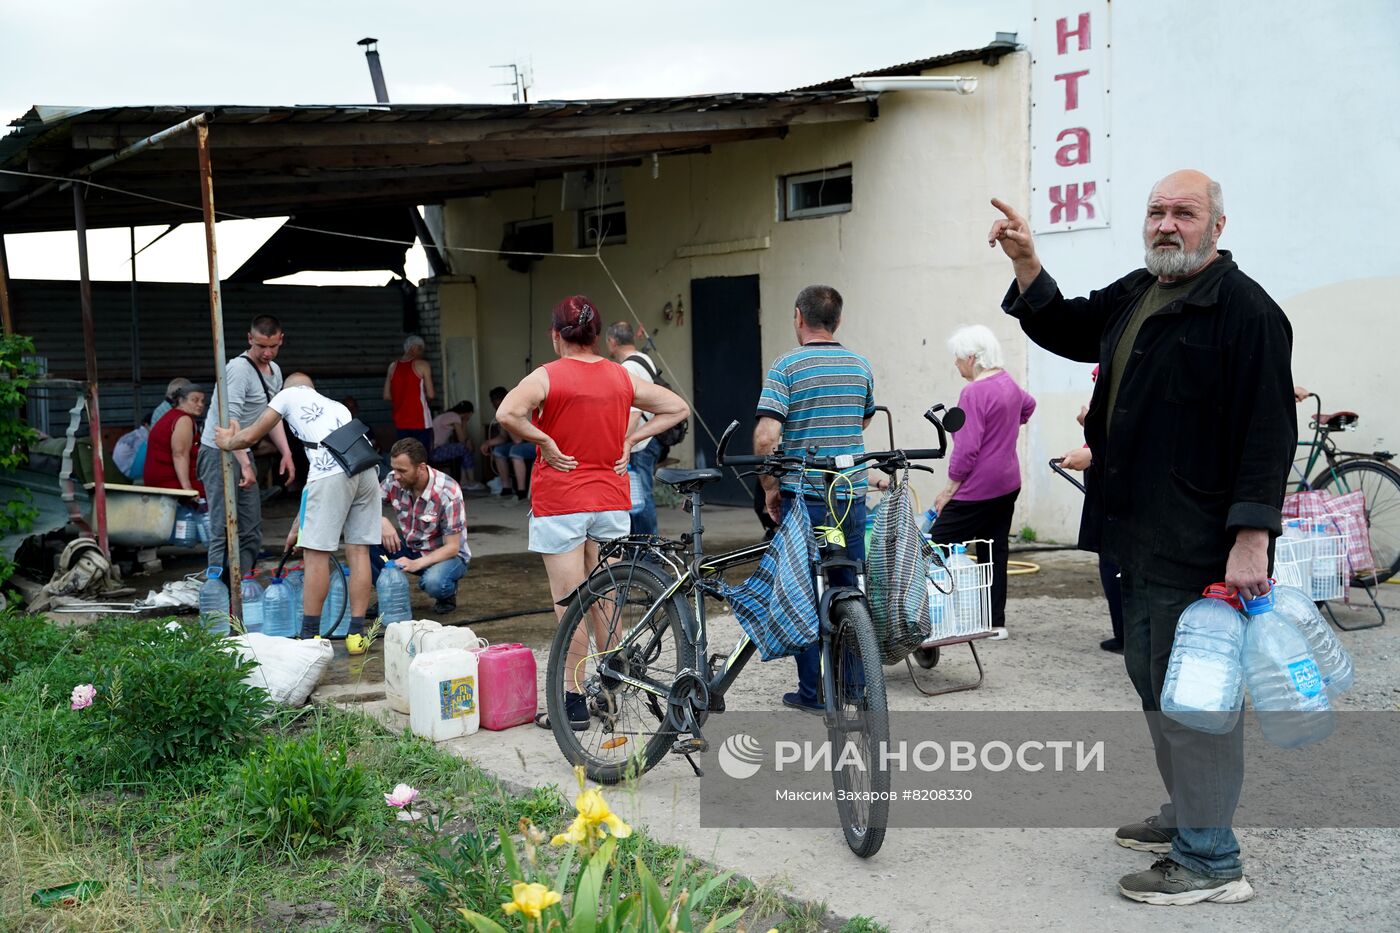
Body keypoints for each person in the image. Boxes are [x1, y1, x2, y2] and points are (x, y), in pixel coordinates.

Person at [989, 170, 1295, 905]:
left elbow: (1267, 435)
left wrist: (1251, 538)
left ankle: (1211, 860)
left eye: (1184, 212)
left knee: (1196, 700)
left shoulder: (1247, 311)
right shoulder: (1140, 290)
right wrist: (1027, 261)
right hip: (1136, 533)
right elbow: (1067, 326)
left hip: (1198, 542)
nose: (1167, 223)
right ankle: (1189, 815)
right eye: (1157, 211)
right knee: (1153, 682)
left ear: (1217, 226)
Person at [497, 295, 687, 730]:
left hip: (561, 503)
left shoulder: (547, 376)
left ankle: (573, 701)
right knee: (606, 598)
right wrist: (631, 440)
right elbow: (676, 407)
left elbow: (508, 413)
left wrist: (544, 441)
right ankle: (613, 691)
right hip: (610, 501)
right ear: (597, 335)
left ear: (556, 335)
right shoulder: (620, 376)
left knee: (571, 604)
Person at [753, 285, 876, 714]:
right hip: (850, 496)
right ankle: (856, 687)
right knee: (848, 586)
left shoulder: (786, 366)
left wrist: (770, 487)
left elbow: (767, 436)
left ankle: (814, 692)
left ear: (798, 317)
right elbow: (863, 417)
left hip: (804, 498)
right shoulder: (860, 365)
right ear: (837, 321)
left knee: (802, 591)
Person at [215, 373, 377, 655]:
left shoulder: (287, 395)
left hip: (331, 471)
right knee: (359, 550)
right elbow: (314, 487)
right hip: (367, 470)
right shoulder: (337, 406)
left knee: (316, 555)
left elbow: (252, 435)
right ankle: (356, 635)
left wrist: (227, 442)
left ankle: (309, 636)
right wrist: (297, 525)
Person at [929, 324, 1035, 641]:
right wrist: (1004, 431)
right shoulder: (1007, 382)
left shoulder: (972, 393)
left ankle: (932, 618)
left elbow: (966, 450)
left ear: (972, 357)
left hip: (978, 488)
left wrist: (948, 490)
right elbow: (1029, 405)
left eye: (958, 357)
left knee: (936, 543)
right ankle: (994, 622)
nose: (956, 363)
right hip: (1007, 482)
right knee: (993, 550)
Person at [198, 315, 295, 583]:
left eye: (273, 346)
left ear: (281, 340)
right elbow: (230, 424)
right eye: (261, 345)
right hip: (219, 452)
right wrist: (245, 464)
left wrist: (286, 452)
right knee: (223, 526)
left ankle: (242, 584)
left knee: (251, 528)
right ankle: (218, 589)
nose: (267, 353)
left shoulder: (275, 371)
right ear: (250, 338)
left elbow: (271, 417)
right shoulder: (238, 370)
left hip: (243, 450)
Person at [1057, 365, 1125, 653]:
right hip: (1105, 472)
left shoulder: (1117, 373)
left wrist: (1092, 448)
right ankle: (1124, 633)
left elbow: (1120, 433)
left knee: (1113, 560)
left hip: (1112, 478)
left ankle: (1125, 634)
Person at [372, 438, 471, 614]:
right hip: (410, 547)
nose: (396, 475)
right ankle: (388, 595)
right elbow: (365, 505)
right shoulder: (394, 480)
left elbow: (452, 547)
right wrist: (380, 520)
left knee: (434, 582)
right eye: (394, 469)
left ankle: (447, 594)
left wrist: (415, 564)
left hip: (445, 556)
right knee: (365, 540)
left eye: (402, 471)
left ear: (421, 468)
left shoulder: (448, 492)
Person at [605, 320, 661, 535]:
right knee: (639, 497)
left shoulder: (628, 367)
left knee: (639, 498)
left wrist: (622, 445)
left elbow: (634, 413)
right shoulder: (644, 359)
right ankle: (644, 544)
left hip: (638, 444)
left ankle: (646, 546)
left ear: (612, 342)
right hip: (647, 439)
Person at [144, 383, 208, 497]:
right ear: (180, 400)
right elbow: (180, 454)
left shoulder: (170, 415)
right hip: (170, 482)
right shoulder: (184, 420)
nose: (200, 404)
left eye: (202, 401)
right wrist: (187, 488)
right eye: (195, 400)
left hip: (157, 480)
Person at [384, 335, 436, 447]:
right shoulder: (423, 365)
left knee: (406, 454)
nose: (422, 353)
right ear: (414, 348)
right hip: (420, 421)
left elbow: (387, 395)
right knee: (421, 454)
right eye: (421, 349)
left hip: (400, 421)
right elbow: (431, 394)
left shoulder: (392, 367)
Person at [428, 401, 479, 488]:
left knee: (463, 449)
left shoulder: (448, 415)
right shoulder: (454, 417)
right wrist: (465, 422)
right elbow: (462, 439)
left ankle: (464, 481)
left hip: (431, 451)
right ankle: (471, 481)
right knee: (465, 448)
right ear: (468, 413)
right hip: (435, 452)